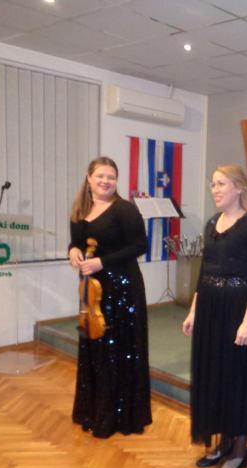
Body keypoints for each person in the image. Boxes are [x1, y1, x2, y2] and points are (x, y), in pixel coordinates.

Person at [182, 165, 247, 468]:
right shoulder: (211, 223)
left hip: (237, 310)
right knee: (214, 375)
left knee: (237, 379)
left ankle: (240, 449)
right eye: (213, 184)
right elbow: (204, 272)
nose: (215, 190)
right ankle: (223, 442)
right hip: (210, 310)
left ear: (239, 188)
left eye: (221, 184)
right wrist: (193, 311)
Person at [68, 156, 151, 438]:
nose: (106, 181)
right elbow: (76, 242)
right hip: (92, 291)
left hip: (122, 289)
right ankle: (94, 411)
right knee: (95, 349)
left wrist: (101, 262)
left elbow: (140, 245)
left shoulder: (124, 210)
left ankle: (118, 417)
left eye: (111, 177)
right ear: (89, 177)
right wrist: (72, 251)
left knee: (118, 351)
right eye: (100, 176)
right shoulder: (80, 209)